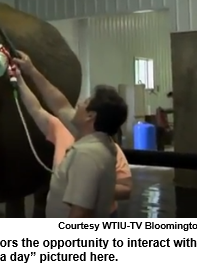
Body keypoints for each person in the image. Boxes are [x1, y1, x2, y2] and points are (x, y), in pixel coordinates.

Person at [14, 51, 131, 218]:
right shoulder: (94, 139)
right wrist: (26, 73)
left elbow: (79, 213)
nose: (79, 103)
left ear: (91, 116)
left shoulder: (86, 155)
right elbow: (59, 104)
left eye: (86, 101)